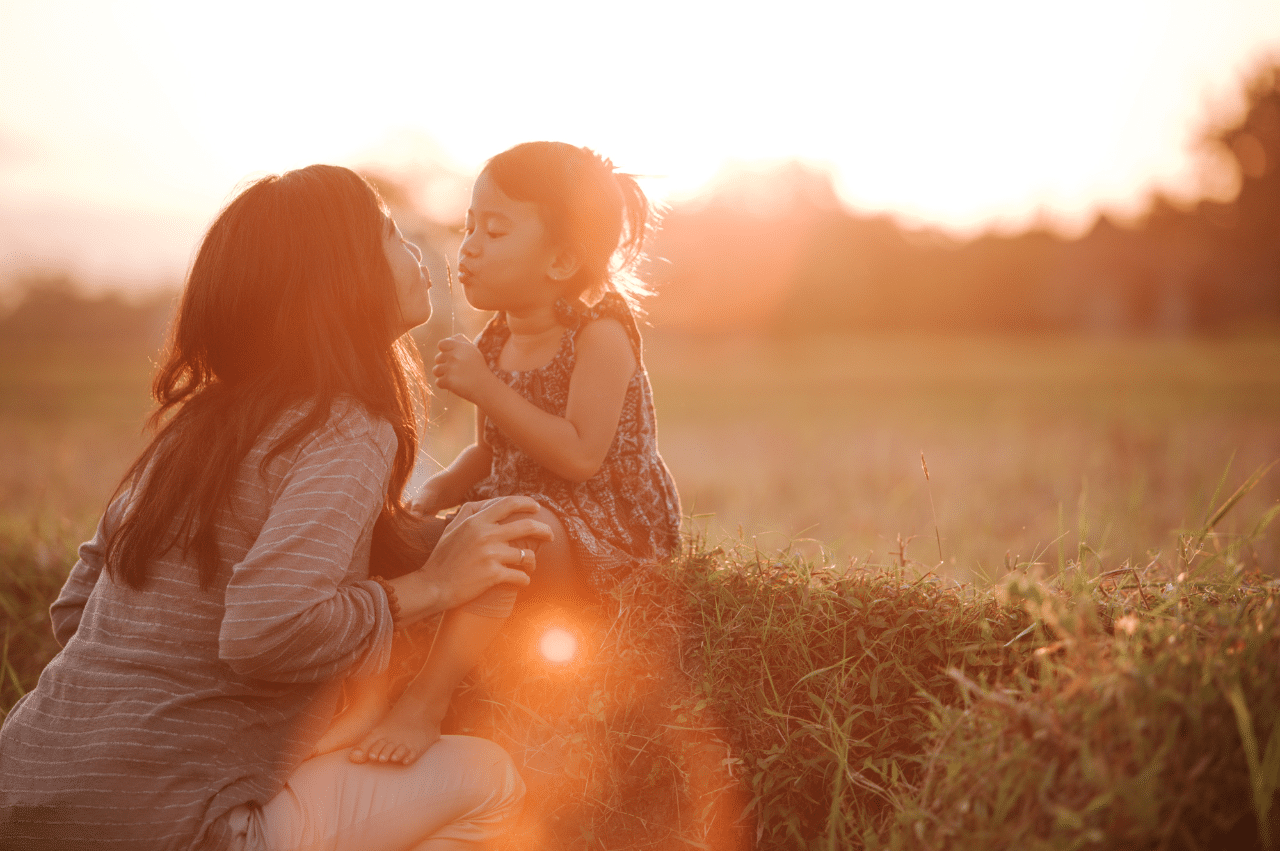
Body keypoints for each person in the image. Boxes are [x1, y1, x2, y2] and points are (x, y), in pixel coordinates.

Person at [0, 164, 551, 851]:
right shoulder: (348, 425)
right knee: (492, 782)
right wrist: (434, 585)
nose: (414, 249)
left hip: (21, 794)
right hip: (176, 826)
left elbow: (76, 613)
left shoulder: (197, 425)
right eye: (386, 233)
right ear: (341, 280)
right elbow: (264, 627)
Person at [317, 141, 682, 768]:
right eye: (469, 227)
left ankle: (427, 701)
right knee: (429, 531)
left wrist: (484, 387)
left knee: (512, 526)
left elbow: (579, 457)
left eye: (495, 230)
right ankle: (358, 689)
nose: (469, 248)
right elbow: (491, 451)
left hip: (609, 525)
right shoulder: (498, 335)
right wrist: (436, 491)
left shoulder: (601, 336)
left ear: (563, 260)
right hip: (527, 505)